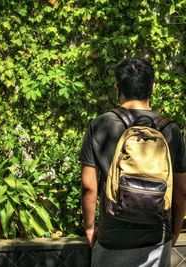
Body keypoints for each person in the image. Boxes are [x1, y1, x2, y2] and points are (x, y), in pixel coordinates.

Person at [79, 57, 186, 267]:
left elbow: (88, 187)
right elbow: (182, 190)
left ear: (117, 87)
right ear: (152, 87)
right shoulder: (170, 130)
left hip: (112, 239)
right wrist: (174, 231)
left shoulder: (99, 125)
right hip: (156, 237)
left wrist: (90, 228)